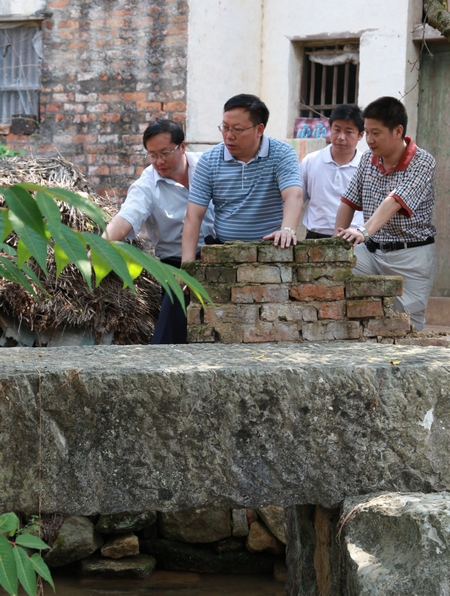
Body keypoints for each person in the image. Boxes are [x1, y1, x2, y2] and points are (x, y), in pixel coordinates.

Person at [103, 118, 214, 343]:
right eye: (152, 155)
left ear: (182, 146)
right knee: (171, 334)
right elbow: (126, 217)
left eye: (164, 153)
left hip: (217, 255)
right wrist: (100, 246)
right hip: (175, 265)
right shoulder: (146, 185)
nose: (158, 161)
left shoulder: (208, 166)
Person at [335, 96, 436, 330]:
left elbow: (394, 202)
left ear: (398, 131)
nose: (369, 140)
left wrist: (363, 230)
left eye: (376, 133)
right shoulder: (367, 161)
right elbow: (348, 202)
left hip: (410, 256)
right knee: (336, 281)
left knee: (406, 326)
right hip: (370, 254)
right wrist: (336, 244)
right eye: (367, 132)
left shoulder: (422, 162)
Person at [181, 94, 303, 263]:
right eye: (225, 127)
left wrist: (287, 229)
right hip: (224, 253)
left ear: (259, 130)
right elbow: (193, 216)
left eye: (237, 130)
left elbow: (294, 195)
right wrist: (187, 265)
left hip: (272, 252)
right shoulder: (209, 161)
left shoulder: (282, 153)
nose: (229, 136)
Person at [301, 103, 365, 238]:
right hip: (315, 237)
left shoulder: (367, 166)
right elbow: (297, 200)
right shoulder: (311, 161)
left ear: (360, 135)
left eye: (348, 132)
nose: (341, 137)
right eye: (336, 130)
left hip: (353, 238)